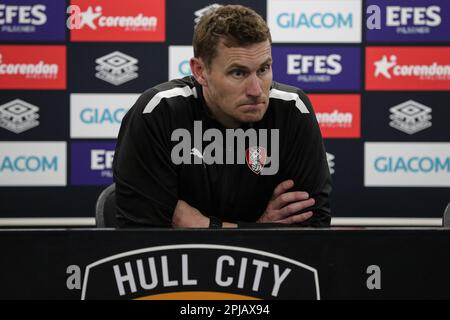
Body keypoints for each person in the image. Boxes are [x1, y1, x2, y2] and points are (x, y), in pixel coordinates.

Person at [113, 5, 331, 228]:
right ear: (200, 71)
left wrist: (208, 226)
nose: (256, 90)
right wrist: (264, 231)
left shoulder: (292, 110)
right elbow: (141, 235)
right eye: (238, 73)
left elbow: (312, 230)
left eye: (263, 69)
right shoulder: (159, 112)